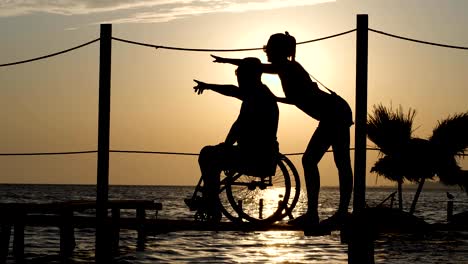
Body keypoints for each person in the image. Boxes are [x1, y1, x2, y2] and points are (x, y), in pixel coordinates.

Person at [211, 32, 353, 231]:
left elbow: (256, 67)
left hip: (335, 113)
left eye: (269, 48)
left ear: (277, 50)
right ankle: (321, 214)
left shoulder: (287, 67)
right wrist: (277, 99)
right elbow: (300, 98)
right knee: (323, 161)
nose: (266, 52)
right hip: (333, 113)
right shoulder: (285, 69)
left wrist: (226, 60)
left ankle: (336, 213)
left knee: (330, 162)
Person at [193, 57, 280, 221]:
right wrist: (209, 86)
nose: (239, 82)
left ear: (251, 77)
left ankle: (211, 202)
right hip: (255, 152)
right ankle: (211, 199)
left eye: (241, 78)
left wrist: (226, 145)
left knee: (208, 155)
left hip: (255, 155)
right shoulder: (258, 94)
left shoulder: (258, 97)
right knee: (209, 153)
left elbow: (240, 126)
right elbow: (232, 91)